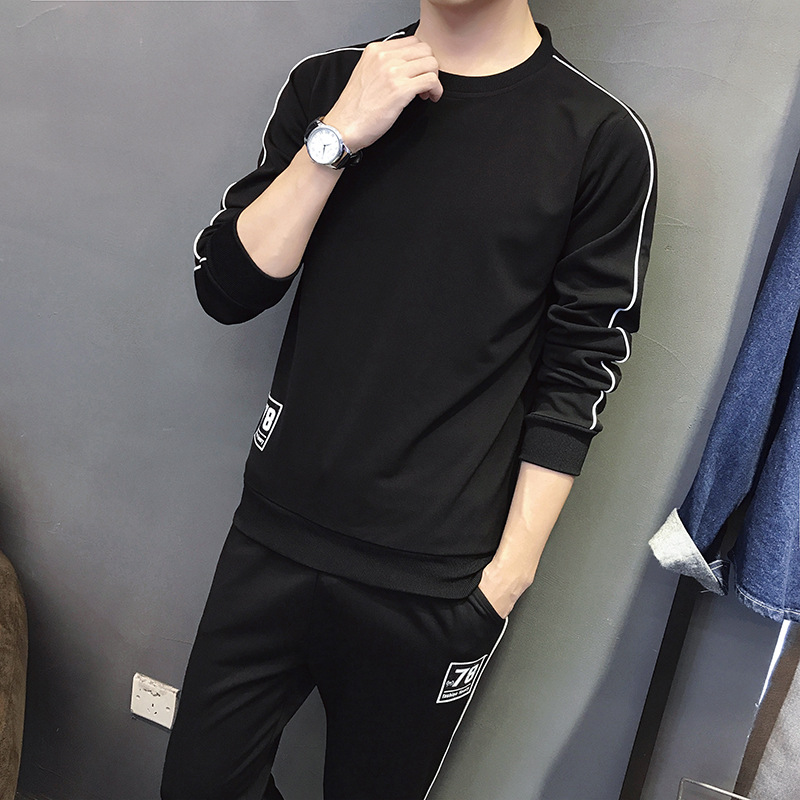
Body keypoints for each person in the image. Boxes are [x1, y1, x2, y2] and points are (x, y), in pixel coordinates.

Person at [160, 1, 657, 798]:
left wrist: (507, 579)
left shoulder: (599, 138)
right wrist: (337, 136)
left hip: (437, 582)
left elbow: (582, 369)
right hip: (275, 534)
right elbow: (227, 287)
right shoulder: (329, 83)